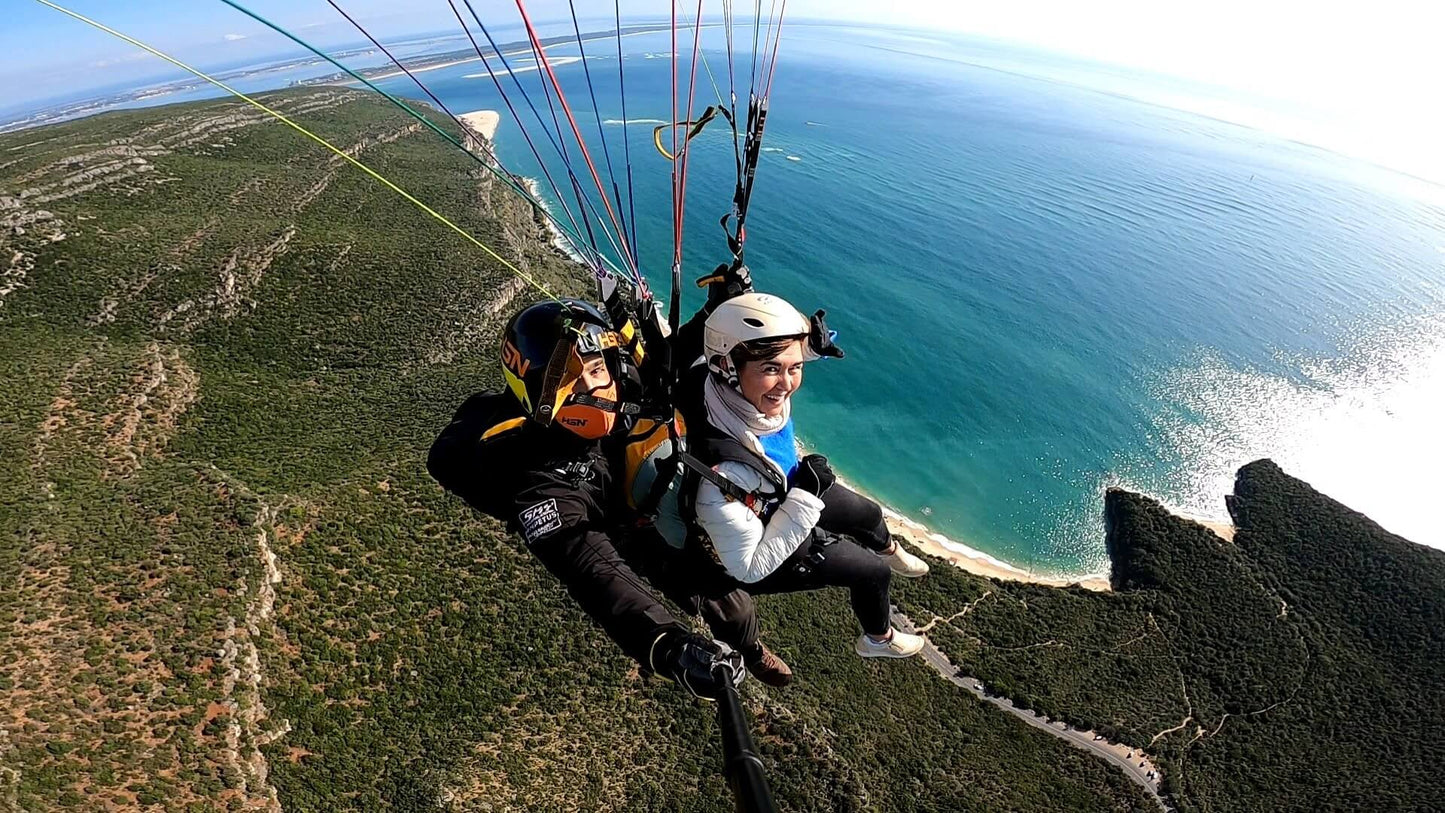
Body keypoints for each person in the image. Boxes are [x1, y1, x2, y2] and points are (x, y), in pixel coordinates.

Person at [427, 296, 792, 696]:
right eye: (571, 382)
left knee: (734, 601)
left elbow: (662, 365)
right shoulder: (538, 480)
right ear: (539, 396)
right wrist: (668, 645)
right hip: (618, 523)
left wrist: (713, 309)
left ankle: (751, 646)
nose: (594, 388)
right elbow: (593, 571)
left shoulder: (619, 382)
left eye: (596, 369)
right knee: (722, 596)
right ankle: (748, 647)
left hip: (642, 485)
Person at [677, 291, 932, 658]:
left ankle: (889, 547)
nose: (787, 383)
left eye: (794, 367)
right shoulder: (720, 476)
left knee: (870, 514)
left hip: (785, 484)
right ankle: (878, 640)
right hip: (767, 526)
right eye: (771, 369)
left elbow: (762, 360)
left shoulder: (721, 383)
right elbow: (749, 568)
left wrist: (808, 348)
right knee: (871, 573)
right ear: (728, 369)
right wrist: (807, 497)